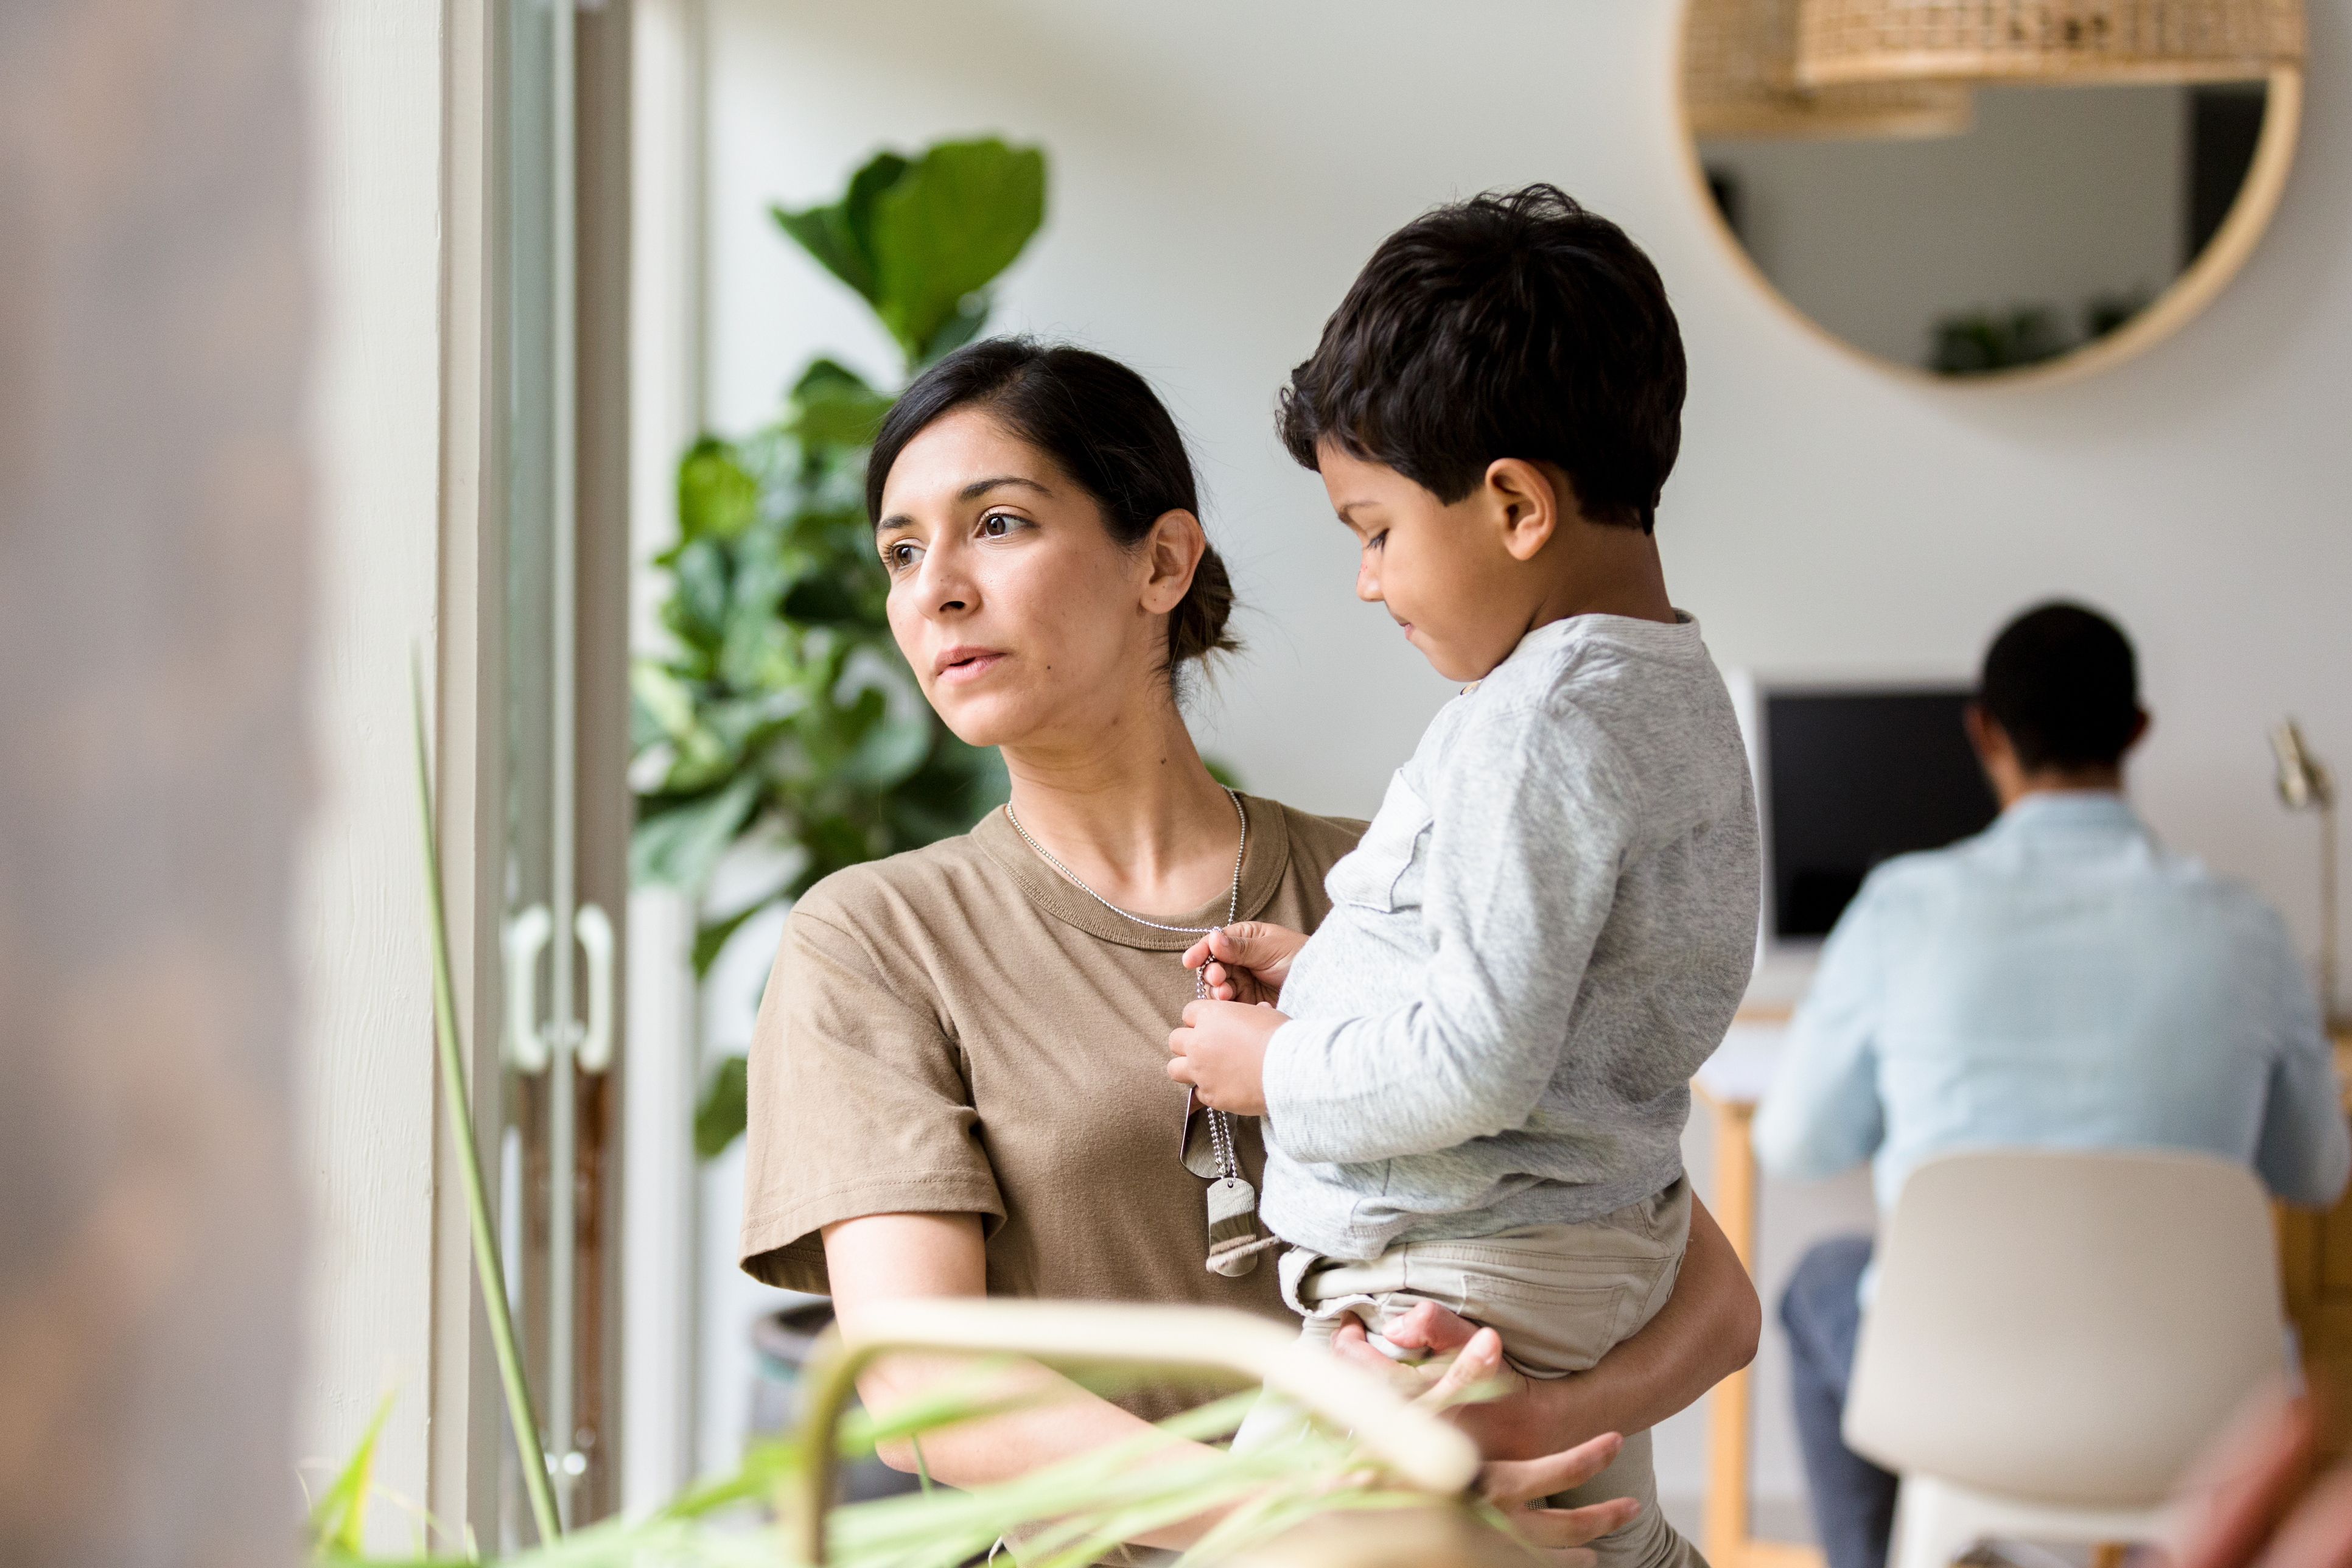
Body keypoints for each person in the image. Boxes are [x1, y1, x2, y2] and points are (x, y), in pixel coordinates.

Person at [738, 337, 1763, 1563]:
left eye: (997, 525)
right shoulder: (875, 940)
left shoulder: (1387, 876)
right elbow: (927, 1387)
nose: (936, 590)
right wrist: (1327, 1515)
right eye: (902, 553)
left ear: (1163, 561)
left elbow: (1709, 1293)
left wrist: (1523, 1433)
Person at [1164, 186, 1759, 1568]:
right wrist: (1328, 971)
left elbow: (1480, 1065)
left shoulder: (1532, 726)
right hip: (1584, 1249)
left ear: (1514, 506)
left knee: (1259, 1550)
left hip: (1454, 1272)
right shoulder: (1670, 688)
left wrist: (1276, 1065)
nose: (1369, 582)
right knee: (1586, 1533)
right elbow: (1569, 979)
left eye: (1375, 531)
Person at [1754, 601, 2352, 1568]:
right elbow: (2318, 1175)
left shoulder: (1902, 908)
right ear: (2138, 730)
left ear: (1983, 732)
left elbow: (1796, 1144)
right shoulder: (2250, 929)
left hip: (1949, 1398)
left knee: (1825, 1276)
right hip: (2193, 1414)